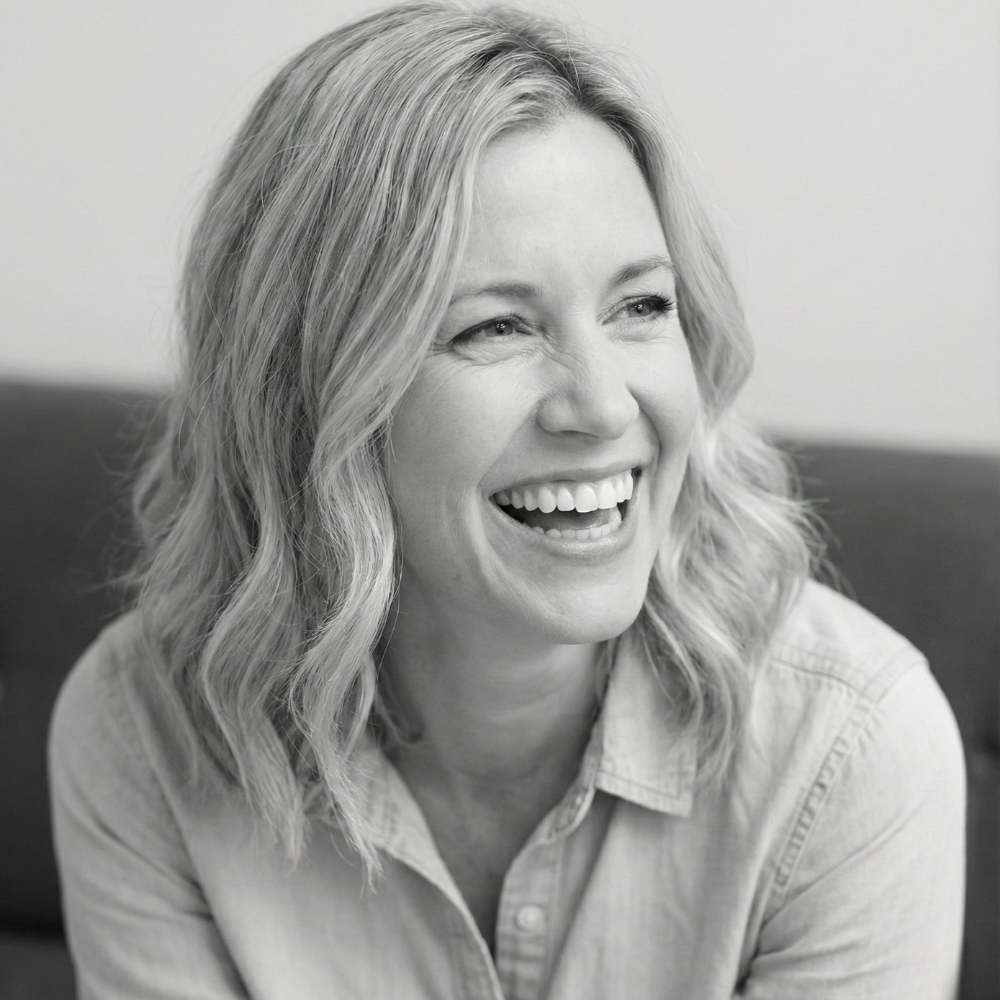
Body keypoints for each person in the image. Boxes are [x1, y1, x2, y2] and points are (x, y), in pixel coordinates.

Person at [49, 3, 965, 997]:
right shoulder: (142, 730)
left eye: (640, 306)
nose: (603, 403)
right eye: (494, 327)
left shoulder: (847, 745)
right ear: (304, 397)